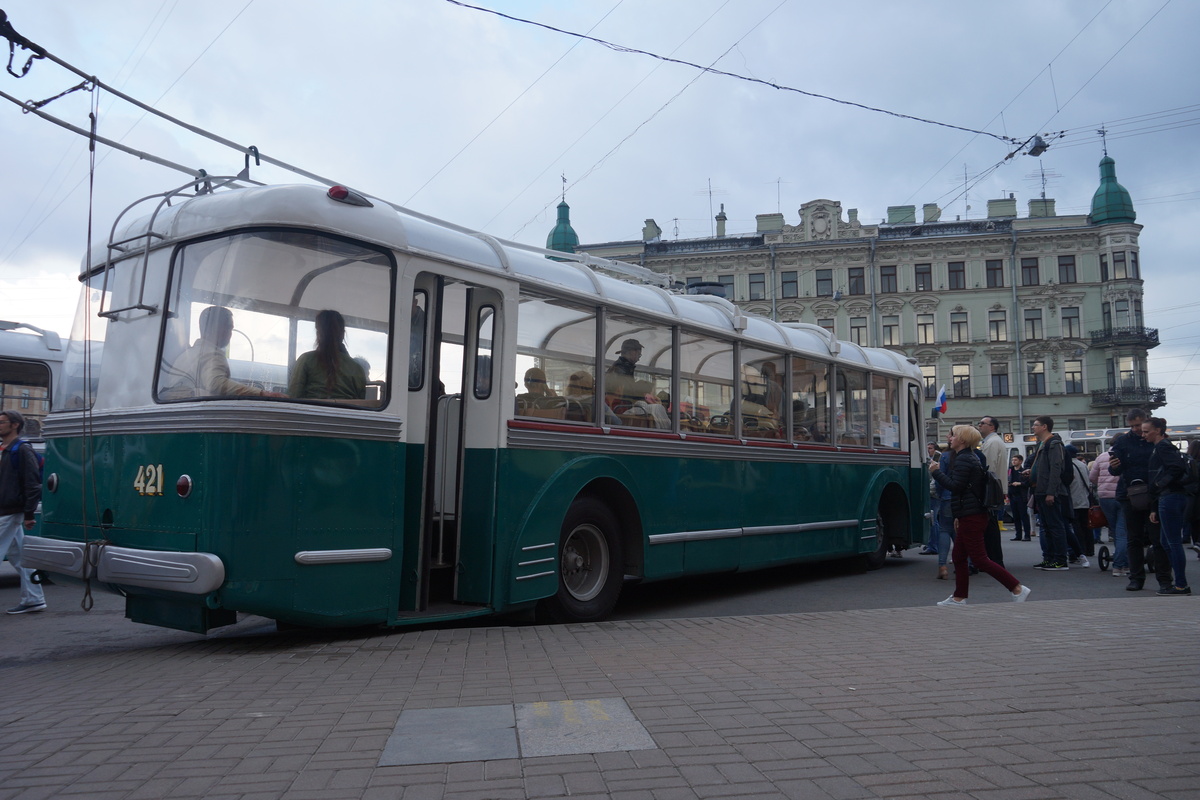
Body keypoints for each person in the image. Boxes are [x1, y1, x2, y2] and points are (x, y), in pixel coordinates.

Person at [929, 424, 1030, 606]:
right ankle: (959, 597)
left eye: (953, 435)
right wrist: (959, 516)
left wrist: (936, 472)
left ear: (963, 439)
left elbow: (955, 486)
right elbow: (965, 490)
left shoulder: (964, 459)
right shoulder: (968, 457)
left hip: (972, 515)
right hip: (970, 513)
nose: (949, 438)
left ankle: (1017, 588)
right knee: (959, 557)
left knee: (980, 559)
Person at [1109, 408, 1171, 592]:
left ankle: (1164, 579)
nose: (1136, 429)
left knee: (1157, 539)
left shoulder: (1157, 441)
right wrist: (1114, 467)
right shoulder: (1123, 441)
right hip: (1130, 494)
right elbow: (1114, 470)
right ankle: (1136, 577)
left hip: (1155, 493)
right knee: (1133, 539)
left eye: (1140, 425)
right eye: (1133, 426)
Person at [164, 306, 282, 398]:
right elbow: (215, 383)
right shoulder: (212, 354)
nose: (230, 334)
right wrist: (261, 393)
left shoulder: (188, 355)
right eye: (230, 328)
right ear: (219, 328)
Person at [0, 410, 47, 614]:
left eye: (2, 422)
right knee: (19, 556)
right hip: (6, 508)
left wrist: (29, 514)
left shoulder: (22, 449)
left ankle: (33, 599)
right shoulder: (5, 449)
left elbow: (32, 483)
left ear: (15, 425)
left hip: (10, 510)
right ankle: (34, 599)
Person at [1143, 417, 1190, 595]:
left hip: (1170, 497)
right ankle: (1179, 583)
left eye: (1147, 431)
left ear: (1157, 430)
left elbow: (1175, 468)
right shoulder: (1162, 447)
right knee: (1166, 541)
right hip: (1169, 497)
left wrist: (1159, 485)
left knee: (1173, 542)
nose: (1144, 434)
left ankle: (1181, 584)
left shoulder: (1162, 446)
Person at [289, 310, 367, 400]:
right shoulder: (356, 368)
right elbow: (361, 402)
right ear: (343, 334)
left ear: (318, 333)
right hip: (345, 414)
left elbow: (293, 396)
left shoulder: (306, 360)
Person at [1026, 416, 1070, 571]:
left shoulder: (1053, 444)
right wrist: (1031, 473)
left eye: (1035, 425)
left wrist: (1051, 492)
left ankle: (1060, 560)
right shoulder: (1042, 444)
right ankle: (1049, 558)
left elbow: (1056, 469)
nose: (1033, 428)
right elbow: (1043, 468)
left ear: (1044, 427)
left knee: (1055, 526)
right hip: (1040, 489)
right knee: (1046, 525)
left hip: (1048, 491)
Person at [1090, 449, 1129, 577]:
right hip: (1123, 495)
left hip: (1105, 497)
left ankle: (1121, 558)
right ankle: (1120, 565)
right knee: (1122, 531)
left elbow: (1092, 477)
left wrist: (1102, 484)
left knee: (1114, 529)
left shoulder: (1101, 457)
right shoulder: (1126, 454)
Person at [977, 416, 1007, 566]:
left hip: (990, 488)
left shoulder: (991, 442)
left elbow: (988, 467)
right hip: (995, 488)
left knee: (990, 526)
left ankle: (994, 560)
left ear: (992, 427)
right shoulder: (994, 441)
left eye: (983, 423)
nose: (979, 425)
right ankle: (994, 559)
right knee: (991, 524)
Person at [1064, 445, 1092, 566]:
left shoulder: (1068, 466)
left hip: (1073, 500)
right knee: (1085, 525)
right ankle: (1089, 549)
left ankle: (1078, 551)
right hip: (1084, 499)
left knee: (1075, 527)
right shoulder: (1083, 465)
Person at [605, 338, 643, 414]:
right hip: (619, 410)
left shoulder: (621, 368)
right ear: (632, 352)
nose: (638, 359)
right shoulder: (620, 370)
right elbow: (627, 393)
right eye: (639, 354)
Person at [920, 442, 941, 556]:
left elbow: (934, 477)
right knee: (933, 520)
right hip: (934, 492)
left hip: (934, 493)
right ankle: (931, 544)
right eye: (927, 448)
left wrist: (930, 491)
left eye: (931, 448)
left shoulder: (937, 459)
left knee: (933, 520)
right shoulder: (930, 459)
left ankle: (933, 545)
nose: (928, 450)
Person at [1008, 454, 1032, 541]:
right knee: (1016, 516)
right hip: (1012, 495)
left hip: (1021, 496)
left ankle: (1027, 535)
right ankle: (1018, 535)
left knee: (1024, 516)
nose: (1013, 462)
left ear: (1020, 461)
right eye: (1012, 460)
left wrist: (1020, 483)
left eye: (1015, 460)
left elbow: (1028, 483)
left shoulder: (1023, 472)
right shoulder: (1010, 470)